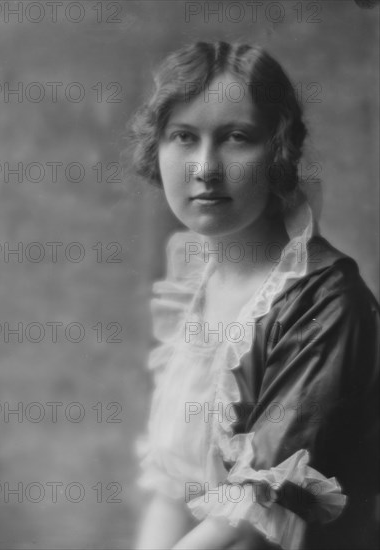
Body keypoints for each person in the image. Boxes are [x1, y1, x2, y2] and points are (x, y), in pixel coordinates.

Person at [129, 41, 380, 550]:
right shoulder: (194, 285)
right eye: (183, 136)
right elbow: (172, 491)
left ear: (279, 151)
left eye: (236, 137)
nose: (205, 168)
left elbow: (248, 517)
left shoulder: (325, 301)